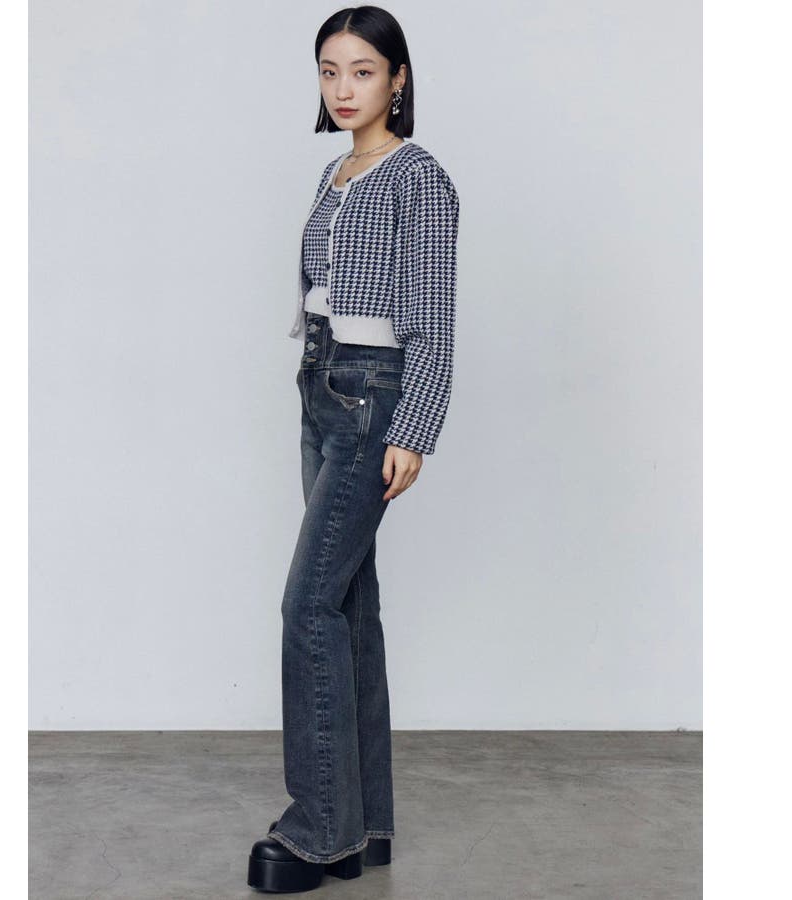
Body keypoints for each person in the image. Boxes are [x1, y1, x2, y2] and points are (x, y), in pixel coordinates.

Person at [248, 5, 459, 893]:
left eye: (363, 71)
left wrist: (415, 429)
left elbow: (434, 317)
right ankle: (364, 824)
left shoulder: (419, 178)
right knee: (346, 606)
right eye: (330, 71)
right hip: (322, 385)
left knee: (307, 606)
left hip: (373, 398)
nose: (344, 88)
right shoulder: (335, 172)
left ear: (398, 79)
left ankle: (318, 832)